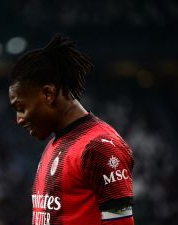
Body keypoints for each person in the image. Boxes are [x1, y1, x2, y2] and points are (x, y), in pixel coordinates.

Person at [8, 33, 134, 225]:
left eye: (21, 108)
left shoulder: (99, 147)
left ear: (48, 93)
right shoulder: (54, 145)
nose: (19, 119)